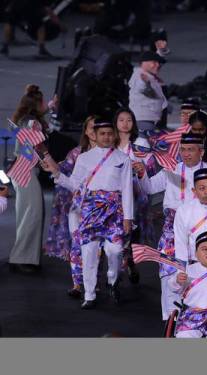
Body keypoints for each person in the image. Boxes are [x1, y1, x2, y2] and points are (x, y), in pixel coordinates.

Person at [42, 122, 134, 309]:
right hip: (90, 210)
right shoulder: (84, 158)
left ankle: (112, 280)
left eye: (110, 133)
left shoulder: (123, 159)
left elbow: (127, 189)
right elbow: (75, 184)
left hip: (114, 212)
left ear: (114, 135)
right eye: (102, 133)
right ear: (96, 135)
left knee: (115, 250)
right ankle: (90, 294)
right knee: (89, 252)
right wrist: (57, 174)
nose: (106, 137)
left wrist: (128, 217)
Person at [139, 132, 207, 320]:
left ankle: (196, 318)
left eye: (191, 150)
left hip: (201, 230)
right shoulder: (170, 169)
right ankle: (169, 320)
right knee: (169, 274)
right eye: (183, 150)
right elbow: (149, 188)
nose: (186, 153)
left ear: (201, 151)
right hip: (171, 230)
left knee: (198, 275)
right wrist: (142, 172)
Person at [44, 116, 96, 298]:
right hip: (78, 207)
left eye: (98, 127)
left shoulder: (109, 154)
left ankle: (92, 282)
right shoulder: (77, 153)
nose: (94, 131)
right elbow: (63, 170)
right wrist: (49, 162)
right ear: (86, 131)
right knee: (77, 245)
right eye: (91, 127)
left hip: (100, 209)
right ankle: (77, 284)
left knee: (95, 249)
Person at [113, 108, 159, 283]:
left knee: (133, 232)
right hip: (115, 195)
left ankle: (130, 262)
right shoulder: (111, 142)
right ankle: (117, 268)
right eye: (121, 120)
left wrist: (140, 168)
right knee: (117, 232)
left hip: (136, 193)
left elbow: (150, 166)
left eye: (129, 120)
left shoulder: (140, 142)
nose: (125, 123)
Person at [9, 84, 48, 274]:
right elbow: (39, 147)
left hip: (19, 169)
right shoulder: (33, 123)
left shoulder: (25, 120)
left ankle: (23, 256)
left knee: (26, 213)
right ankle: (21, 258)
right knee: (32, 214)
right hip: (26, 170)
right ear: (38, 104)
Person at [128, 51, 168, 132]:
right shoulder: (140, 76)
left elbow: (158, 98)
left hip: (149, 120)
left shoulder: (149, 76)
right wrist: (147, 85)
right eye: (154, 62)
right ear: (143, 63)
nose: (158, 65)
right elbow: (142, 87)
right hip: (143, 121)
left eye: (158, 62)